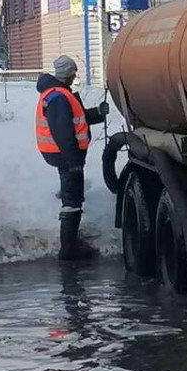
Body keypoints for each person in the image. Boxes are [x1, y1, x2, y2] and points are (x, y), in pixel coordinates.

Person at [35, 56, 110, 260]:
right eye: (73, 72)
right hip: (64, 155)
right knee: (73, 198)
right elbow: (63, 132)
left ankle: (70, 243)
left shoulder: (58, 94)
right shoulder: (58, 97)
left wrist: (97, 114)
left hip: (61, 154)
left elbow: (76, 119)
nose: (75, 75)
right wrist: (73, 161)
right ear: (67, 74)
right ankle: (68, 248)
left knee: (72, 193)